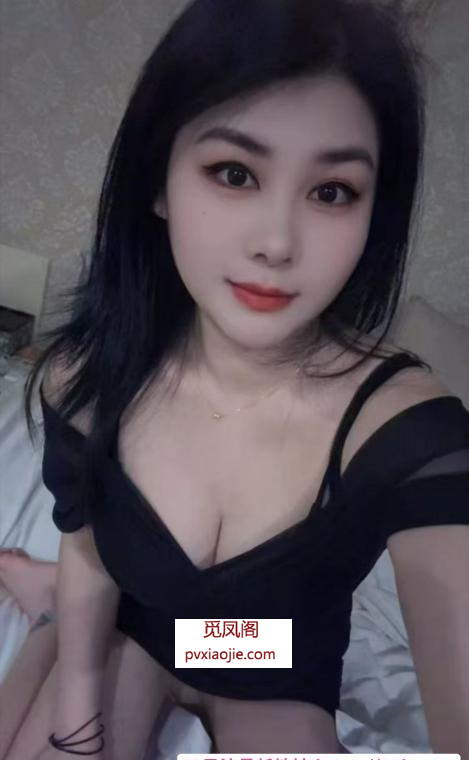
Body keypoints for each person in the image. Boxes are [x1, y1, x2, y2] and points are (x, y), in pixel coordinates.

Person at [1, 0, 468, 757]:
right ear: (158, 182)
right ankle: (50, 604)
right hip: (139, 624)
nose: (276, 243)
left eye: (332, 191)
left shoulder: (409, 435)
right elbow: (89, 543)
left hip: (271, 658)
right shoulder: (84, 377)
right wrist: (77, 710)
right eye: (234, 173)